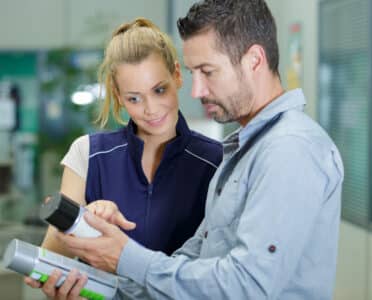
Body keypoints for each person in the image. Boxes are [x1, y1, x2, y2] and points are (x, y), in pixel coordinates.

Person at [39, 0, 344, 299]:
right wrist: (105, 292)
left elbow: (248, 285)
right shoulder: (241, 154)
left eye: (207, 72)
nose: (196, 91)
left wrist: (125, 257)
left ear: (254, 60)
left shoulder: (289, 149)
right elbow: (192, 266)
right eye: (193, 73)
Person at [24, 16, 223, 296]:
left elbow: (222, 271)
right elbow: (53, 260)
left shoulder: (217, 161)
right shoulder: (88, 153)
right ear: (118, 96)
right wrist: (85, 220)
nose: (151, 109)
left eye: (159, 90)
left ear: (177, 75)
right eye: (134, 98)